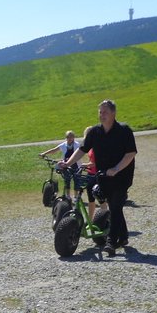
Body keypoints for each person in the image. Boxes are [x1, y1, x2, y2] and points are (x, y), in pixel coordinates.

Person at [59, 99, 136, 255]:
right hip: (103, 175)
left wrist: (116, 169)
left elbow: (131, 153)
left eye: (105, 112)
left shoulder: (124, 130)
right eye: (100, 112)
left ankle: (111, 242)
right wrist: (67, 163)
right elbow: (82, 149)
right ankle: (123, 236)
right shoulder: (95, 132)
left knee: (115, 206)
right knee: (115, 207)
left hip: (121, 176)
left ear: (113, 113)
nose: (102, 115)